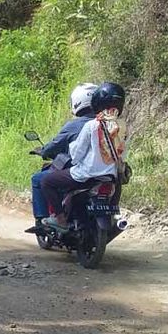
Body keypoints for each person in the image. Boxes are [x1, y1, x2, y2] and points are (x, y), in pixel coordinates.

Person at [40, 82, 127, 230]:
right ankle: (112, 214)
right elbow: (122, 153)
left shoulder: (91, 125)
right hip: (111, 175)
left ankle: (60, 220)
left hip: (86, 175)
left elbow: (76, 154)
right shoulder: (122, 127)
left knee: (47, 181)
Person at [30, 83, 98, 226]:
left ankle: (53, 219)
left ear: (77, 101)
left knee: (41, 179)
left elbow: (59, 147)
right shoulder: (106, 124)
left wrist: (43, 151)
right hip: (107, 172)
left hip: (82, 172)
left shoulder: (75, 125)